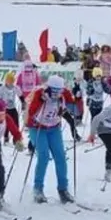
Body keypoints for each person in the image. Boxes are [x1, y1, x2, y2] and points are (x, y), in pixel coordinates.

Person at [25, 75, 76, 204]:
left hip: (54, 128)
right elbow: (31, 112)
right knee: (44, 156)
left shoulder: (63, 94)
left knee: (60, 157)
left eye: (59, 91)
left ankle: (63, 189)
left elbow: (73, 102)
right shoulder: (39, 93)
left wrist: (76, 98)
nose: (56, 94)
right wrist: (41, 100)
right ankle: (38, 189)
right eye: (54, 91)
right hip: (38, 128)